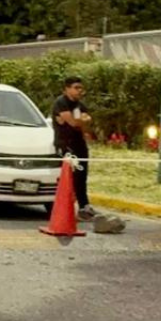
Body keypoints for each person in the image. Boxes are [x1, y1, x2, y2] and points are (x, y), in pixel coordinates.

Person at [52, 77, 100, 221]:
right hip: (65, 144)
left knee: (81, 175)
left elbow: (85, 125)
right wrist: (80, 121)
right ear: (67, 89)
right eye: (76, 87)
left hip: (79, 143)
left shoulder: (80, 105)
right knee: (68, 176)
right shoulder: (61, 103)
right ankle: (64, 208)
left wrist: (81, 122)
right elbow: (73, 122)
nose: (80, 91)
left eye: (81, 88)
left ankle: (84, 206)